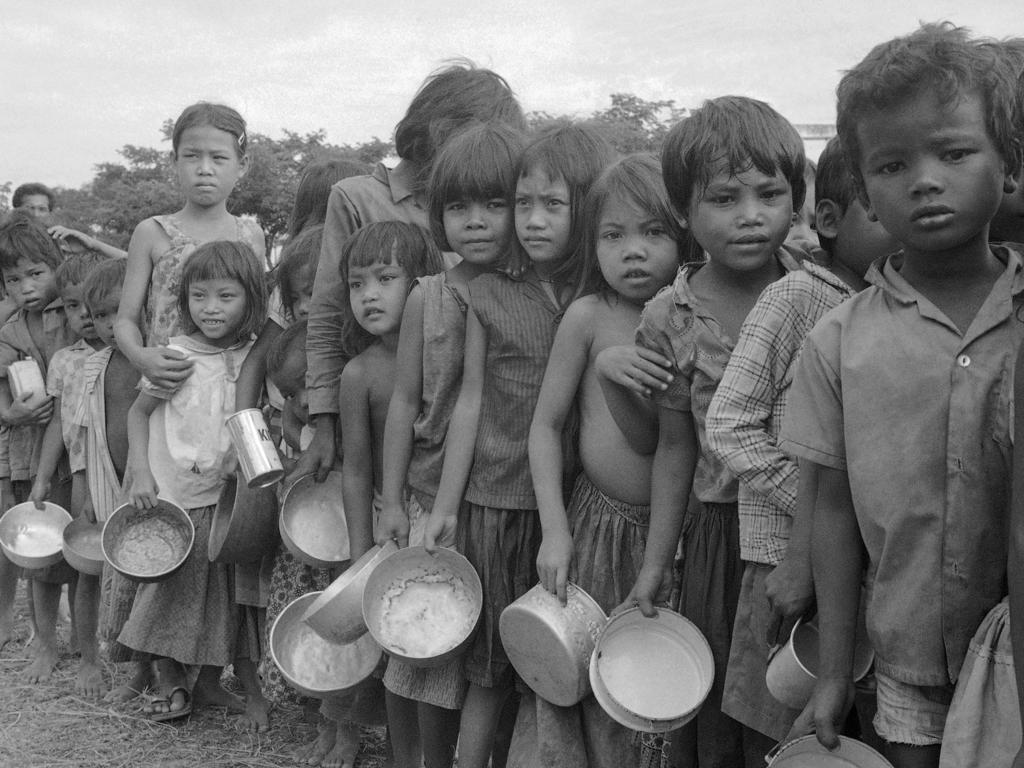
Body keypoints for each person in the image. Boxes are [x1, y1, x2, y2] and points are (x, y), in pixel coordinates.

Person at [778, 23, 1022, 768]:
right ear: (865, 195)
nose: (924, 178)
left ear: (1008, 166)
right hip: (906, 659)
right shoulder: (839, 342)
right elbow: (831, 509)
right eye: (891, 164)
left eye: (953, 153)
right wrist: (830, 675)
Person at [610, 96, 808, 768]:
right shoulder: (672, 314)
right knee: (724, 697)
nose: (750, 213)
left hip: (809, 520)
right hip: (720, 540)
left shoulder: (821, 291)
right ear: (686, 214)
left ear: (796, 200)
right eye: (725, 197)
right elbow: (675, 447)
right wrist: (656, 565)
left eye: (769, 193)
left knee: (796, 693)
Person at [424, 122, 616, 768]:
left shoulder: (601, 299)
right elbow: (470, 400)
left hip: (575, 510)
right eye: (524, 203)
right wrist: (448, 503)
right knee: (489, 671)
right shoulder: (489, 295)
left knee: (558, 663)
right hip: (499, 503)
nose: (533, 221)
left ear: (585, 208)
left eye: (551, 205)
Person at [704, 135, 897, 750]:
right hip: (782, 555)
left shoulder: (886, 305)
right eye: (876, 205)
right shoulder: (796, 297)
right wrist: (825, 524)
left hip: (858, 560)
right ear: (832, 219)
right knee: (778, 718)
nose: (898, 213)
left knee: (834, 721)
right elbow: (729, 423)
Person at [524, 153, 684, 767]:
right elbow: (546, 426)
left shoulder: (687, 318)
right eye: (613, 235)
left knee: (656, 683)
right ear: (592, 244)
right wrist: (555, 531)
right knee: (585, 670)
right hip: (594, 530)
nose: (633, 252)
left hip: (676, 534)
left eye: (654, 232)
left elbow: (662, 443)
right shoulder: (588, 317)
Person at [296, 61, 526, 484]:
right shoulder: (355, 199)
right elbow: (327, 315)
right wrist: (324, 420)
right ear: (439, 129)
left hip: (467, 424)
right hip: (382, 420)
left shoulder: (481, 208)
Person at [378, 122, 525, 768]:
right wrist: (390, 500)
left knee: (493, 653)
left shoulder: (534, 296)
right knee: (428, 653)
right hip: (429, 494)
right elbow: (404, 401)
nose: (476, 222)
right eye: (459, 207)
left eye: (495, 204)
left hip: (502, 497)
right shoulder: (426, 298)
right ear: (438, 217)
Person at [119, 240, 268, 722]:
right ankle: (170, 682)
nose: (210, 308)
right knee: (169, 595)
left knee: (227, 601)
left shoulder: (256, 354)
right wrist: (140, 471)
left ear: (252, 298)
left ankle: (209, 685)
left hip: (229, 502)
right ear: (184, 301)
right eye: (199, 296)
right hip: (177, 496)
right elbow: (138, 415)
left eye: (226, 296)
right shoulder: (176, 355)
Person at [337, 221, 446, 768]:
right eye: (357, 284)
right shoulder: (360, 374)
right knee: (400, 658)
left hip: (446, 520)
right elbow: (356, 471)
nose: (369, 295)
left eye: (385, 278)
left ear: (423, 282)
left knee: (441, 652)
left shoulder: (446, 355)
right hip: (390, 527)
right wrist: (359, 554)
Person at [114, 102, 264, 392]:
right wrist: (142, 357)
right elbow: (125, 320)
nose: (204, 169)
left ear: (242, 165)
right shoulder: (152, 232)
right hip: (167, 388)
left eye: (219, 158)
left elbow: (257, 316)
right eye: (192, 156)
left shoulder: (250, 234)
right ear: (174, 161)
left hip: (232, 387)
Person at [27, 251, 112, 697]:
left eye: (92, 307)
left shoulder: (126, 356)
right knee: (54, 566)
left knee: (91, 572)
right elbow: (59, 426)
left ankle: (91, 656)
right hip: (74, 474)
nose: (84, 316)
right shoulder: (65, 360)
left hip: (110, 477)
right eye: (73, 306)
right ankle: (47, 642)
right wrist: (42, 477)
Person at [72, 258, 154, 705]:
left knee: (150, 580)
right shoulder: (92, 368)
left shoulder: (157, 360)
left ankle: (151, 669)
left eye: (117, 311)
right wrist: (84, 490)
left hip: (150, 486)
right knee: (108, 582)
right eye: (98, 315)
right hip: (107, 486)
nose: (107, 325)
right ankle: (114, 664)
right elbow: (84, 435)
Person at [0, 210, 73, 680]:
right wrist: (10, 411)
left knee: (81, 549)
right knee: (41, 554)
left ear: (58, 268)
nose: (26, 286)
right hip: (31, 449)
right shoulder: (10, 329)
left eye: (36, 273)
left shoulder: (73, 311)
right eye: (13, 279)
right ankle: (46, 643)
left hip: (80, 449)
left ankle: (89, 645)